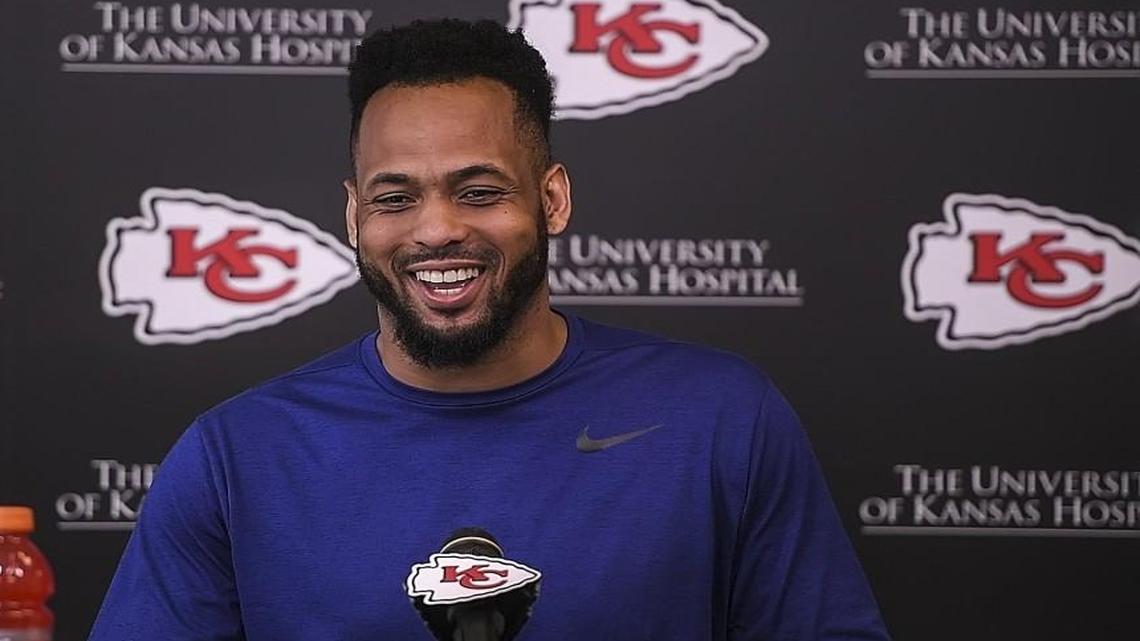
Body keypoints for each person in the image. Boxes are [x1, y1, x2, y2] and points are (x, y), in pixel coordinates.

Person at [89, 19, 890, 641]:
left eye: (478, 191)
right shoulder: (236, 455)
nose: (436, 230)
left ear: (553, 199)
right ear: (352, 215)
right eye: (395, 197)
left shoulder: (722, 420)